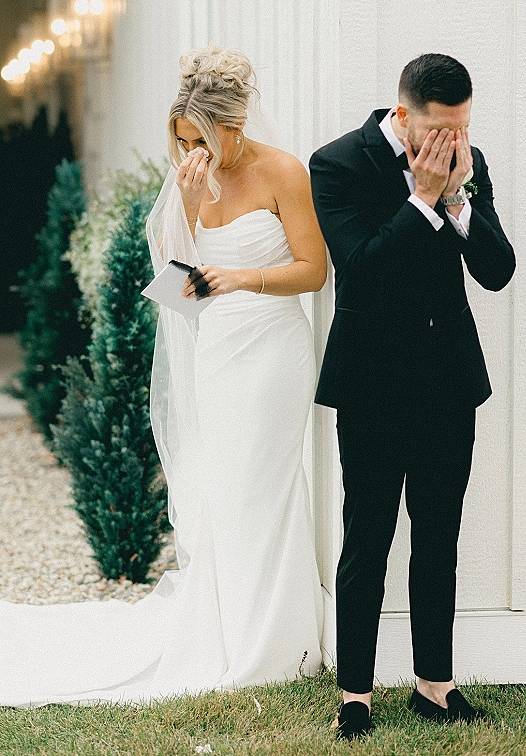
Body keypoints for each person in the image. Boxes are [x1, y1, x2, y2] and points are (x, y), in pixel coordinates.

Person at [0, 44, 326, 707]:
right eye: (179, 141)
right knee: (221, 490)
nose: (190, 154)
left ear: (233, 127)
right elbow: (180, 292)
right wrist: (181, 206)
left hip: (272, 351)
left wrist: (244, 278)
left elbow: (314, 270)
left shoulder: (282, 172)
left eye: (199, 140)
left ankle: (275, 636)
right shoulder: (188, 180)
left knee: (261, 487)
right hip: (218, 355)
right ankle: (230, 625)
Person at [309, 53, 516, 739]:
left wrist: (457, 197)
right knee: (367, 536)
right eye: (438, 131)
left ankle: (435, 684)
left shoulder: (467, 160)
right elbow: (360, 275)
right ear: (403, 117)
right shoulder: (337, 163)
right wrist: (421, 198)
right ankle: (355, 695)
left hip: (448, 381)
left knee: (438, 535)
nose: (450, 145)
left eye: (460, 129)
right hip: (370, 384)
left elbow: (496, 270)